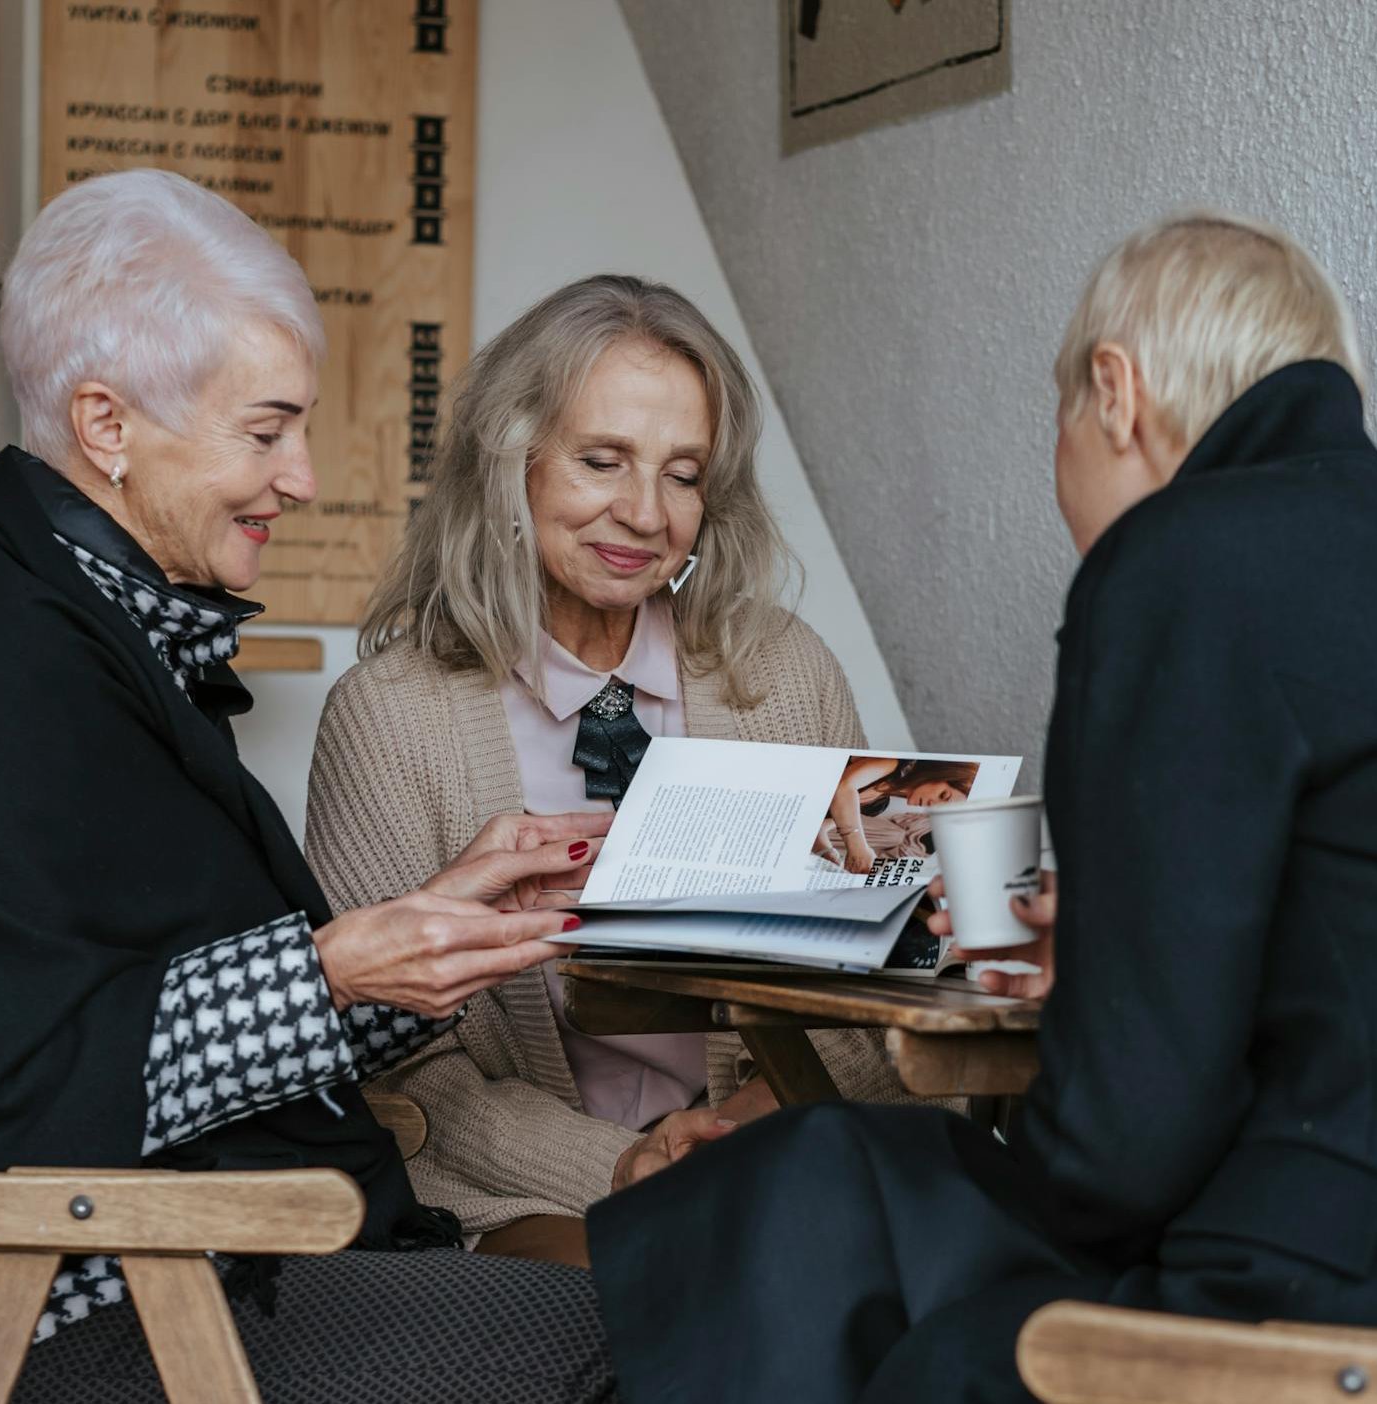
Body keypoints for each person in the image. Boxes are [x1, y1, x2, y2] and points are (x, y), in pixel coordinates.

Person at [583, 210, 1377, 1403]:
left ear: (1114, 392)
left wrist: (1090, 1030)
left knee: (818, 1203)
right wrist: (1114, 954)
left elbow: (1114, 1155)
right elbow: (1366, 969)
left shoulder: (1176, 560)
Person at [0, 169, 617, 1403]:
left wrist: (431, 929)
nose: (304, 477)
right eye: (265, 432)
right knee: (650, 1339)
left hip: (137, 1260)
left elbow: (138, 1022)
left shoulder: (63, 625)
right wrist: (334, 969)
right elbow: (4, 1089)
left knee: (692, 1294)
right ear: (107, 426)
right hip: (12, 1324)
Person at [306, 274, 936, 1268]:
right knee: (672, 1295)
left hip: (778, 1159)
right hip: (521, 1193)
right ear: (512, 462)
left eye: (682, 473)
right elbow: (408, 1062)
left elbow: (870, 990)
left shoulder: (785, 672)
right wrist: (629, 1163)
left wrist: (741, 1127)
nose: (645, 513)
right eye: (603, 461)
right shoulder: (389, 716)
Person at [811, 756, 979, 872]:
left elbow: (820, 828)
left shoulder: (877, 806)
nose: (932, 805)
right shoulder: (894, 764)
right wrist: (858, 847)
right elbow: (844, 786)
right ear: (940, 773)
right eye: (943, 795)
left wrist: (826, 853)